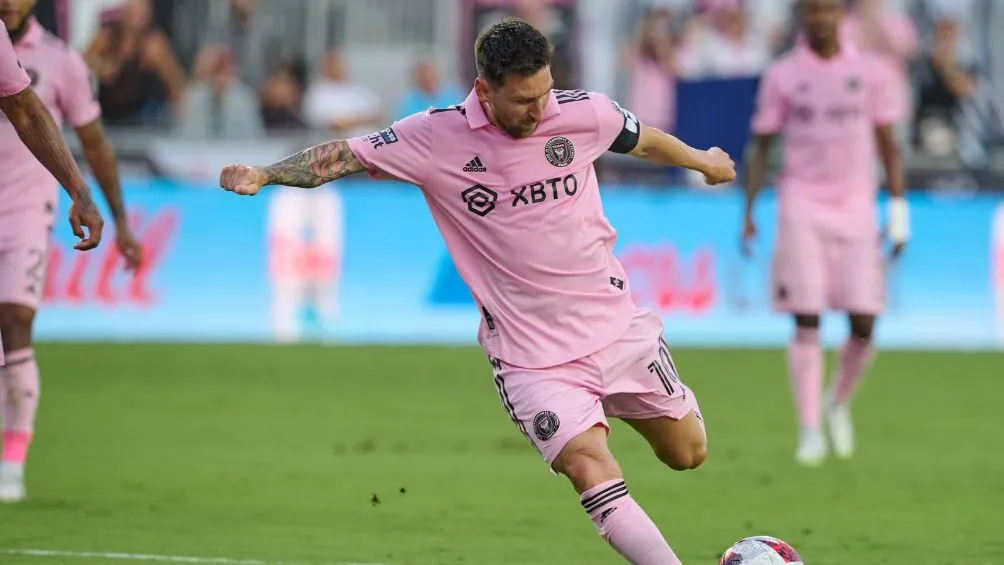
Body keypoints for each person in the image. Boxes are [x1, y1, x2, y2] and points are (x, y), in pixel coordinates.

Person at [221, 18, 735, 565]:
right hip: (532, 357)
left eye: (543, 93)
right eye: (522, 102)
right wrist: (265, 173)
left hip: (616, 328)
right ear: (484, 90)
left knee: (688, 452)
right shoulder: (434, 136)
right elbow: (343, 155)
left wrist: (701, 159)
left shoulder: (582, 112)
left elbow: (642, 140)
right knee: (588, 463)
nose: (539, 112)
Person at [743, 0, 908, 467]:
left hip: (857, 206)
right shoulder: (783, 74)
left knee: (864, 321)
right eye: (812, 11)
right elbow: (763, 145)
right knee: (807, 316)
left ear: (842, 15)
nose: (820, 18)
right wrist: (750, 208)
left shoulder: (873, 71)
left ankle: (838, 401)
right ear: (802, 17)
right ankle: (810, 428)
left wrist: (898, 210)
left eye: (828, 10)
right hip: (801, 204)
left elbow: (889, 145)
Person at [0, 0, 139, 503]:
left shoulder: (63, 62)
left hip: (24, 214)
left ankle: (12, 461)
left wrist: (113, 213)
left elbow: (94, 143)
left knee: (15, 322)